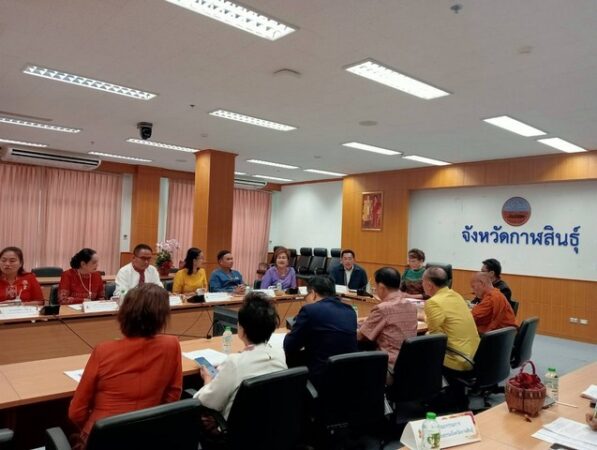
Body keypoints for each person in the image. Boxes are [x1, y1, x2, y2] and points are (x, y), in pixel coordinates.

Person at [68, 284, 182, 447]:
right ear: (162, 317)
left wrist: (91, 429)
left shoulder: (103, 351)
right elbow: (173, 395)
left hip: (104, 437)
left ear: (124, 313)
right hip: (148, 436)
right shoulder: (172, 344)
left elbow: (76, 412)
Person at [195, 292, 286, 418]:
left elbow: (205, 401)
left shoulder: (234, 363)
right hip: (273, 424)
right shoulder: (279, 353)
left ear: (242, 329)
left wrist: (208, 379)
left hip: (236, 428)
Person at [284, 275, 357, 387]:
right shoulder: (350, 311)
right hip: (349, 378)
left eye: (307, 295)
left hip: (321, 378)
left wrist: (290, 334)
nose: (305, 299)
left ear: (313, 294)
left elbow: (289, 346)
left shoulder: (310, 310)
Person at [358, 267, 417, 375]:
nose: (375, 289)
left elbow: (360, 336)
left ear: (381, 287)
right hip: (410, 365)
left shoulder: (383, 309)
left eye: (375, 286)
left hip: (389, 366)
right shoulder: (411, 306)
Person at [423, 267, 480, 372]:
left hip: (458, 359)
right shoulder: (456, 295)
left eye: (422, 282)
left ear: (429, 285)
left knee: (418, 349)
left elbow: (435, 337)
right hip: (476, 354)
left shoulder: (433, 302)